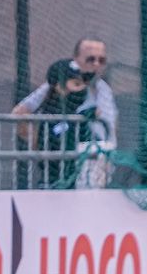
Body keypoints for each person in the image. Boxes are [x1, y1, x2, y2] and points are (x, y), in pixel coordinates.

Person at [13, 37, 117, 148]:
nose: (96, 64)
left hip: (101, 156)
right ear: (76, 59)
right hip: (70, 158)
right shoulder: (57, 84)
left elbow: (112, 123)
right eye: (90, 59)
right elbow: (19, 112)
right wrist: (37, 143)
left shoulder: (104, 89)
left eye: (101, 60)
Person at [21, 59, 91, 188]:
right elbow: (55, 136)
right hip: (54, 184)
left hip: (76, 181)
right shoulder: (51, 114)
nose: (82, 89)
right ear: (59, 86)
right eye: (76, 84)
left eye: (83, 84)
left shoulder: (75, 111)